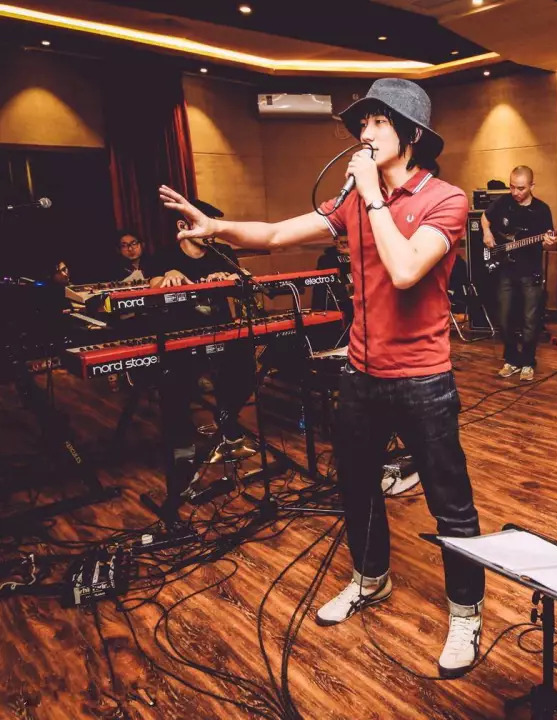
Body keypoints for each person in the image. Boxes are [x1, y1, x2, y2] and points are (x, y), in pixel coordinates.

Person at [158, 77, 485, 677]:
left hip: (423, 378)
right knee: (356, 487)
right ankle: (371, 579)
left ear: (412, 134)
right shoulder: (353, 201)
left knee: (451, 505)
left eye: (378, 122)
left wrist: (374, 198)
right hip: (361, 373)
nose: (364, 132)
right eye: (362, 123)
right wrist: (216, 228)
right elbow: (276, 234)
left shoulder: (446, 199)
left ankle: (466, 612)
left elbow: (406, 270)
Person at [143, 199, 258, 503]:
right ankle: (183, 451)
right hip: (182, 337)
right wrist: (166, 279)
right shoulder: (163, 257)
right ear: (183, 226)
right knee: (175, 387)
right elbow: (153, 285)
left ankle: (227, 426)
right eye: (200, 223)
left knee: (245, 371)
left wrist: (231, 277)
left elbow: (243, 275)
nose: (209, 232)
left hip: (222, 331)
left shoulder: (222, 253)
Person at [481, 166, 557, 381]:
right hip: (505, 270)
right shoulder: (503, 202)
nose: (515, 192)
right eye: (512, 187)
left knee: (530, 320)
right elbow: (485, 218)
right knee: (505, 318)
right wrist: (487, 233)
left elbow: (548, 242)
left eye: (521, 188)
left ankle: (528, 362)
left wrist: (549, 242)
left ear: (532, 186)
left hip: (530, 272)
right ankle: (511, 360)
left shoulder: (542, 210)